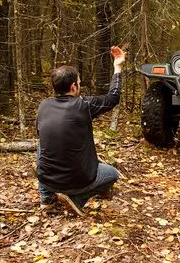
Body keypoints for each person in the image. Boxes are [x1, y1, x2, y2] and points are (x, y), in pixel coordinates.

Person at [36, 46, 126, 216]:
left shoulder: (43, 106)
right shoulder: (83, 105)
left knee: (43, 144)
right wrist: (117, 67)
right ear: (73, 87)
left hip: (47, 178)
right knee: (112, 174)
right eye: (78, 82)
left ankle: (46, 197)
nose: (79, 84)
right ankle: (78, 199)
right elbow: (113, 97)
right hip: (76, 179)